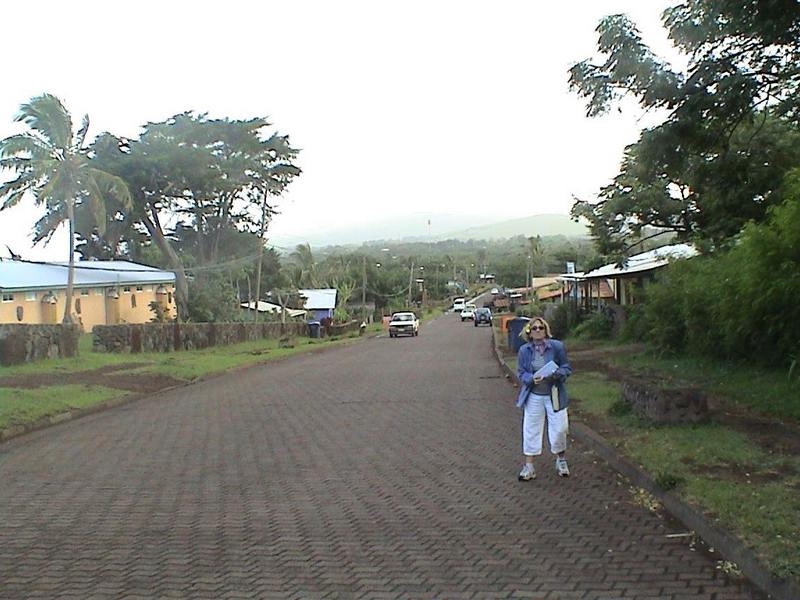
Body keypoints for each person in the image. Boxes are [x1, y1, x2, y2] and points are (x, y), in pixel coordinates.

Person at [515, 316, 572, 480]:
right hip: (534, 395)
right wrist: (531, 379)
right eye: (534, 328)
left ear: (546, 330)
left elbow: (566, 367)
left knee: (560, 428)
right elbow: (521, 372)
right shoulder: (524, 351)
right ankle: (529, 466)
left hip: (554, 393)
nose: (538, 331)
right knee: (531, 429)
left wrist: (557, 374)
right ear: (529, 332)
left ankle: (561, 459)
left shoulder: (556, 347)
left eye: (541, 328)